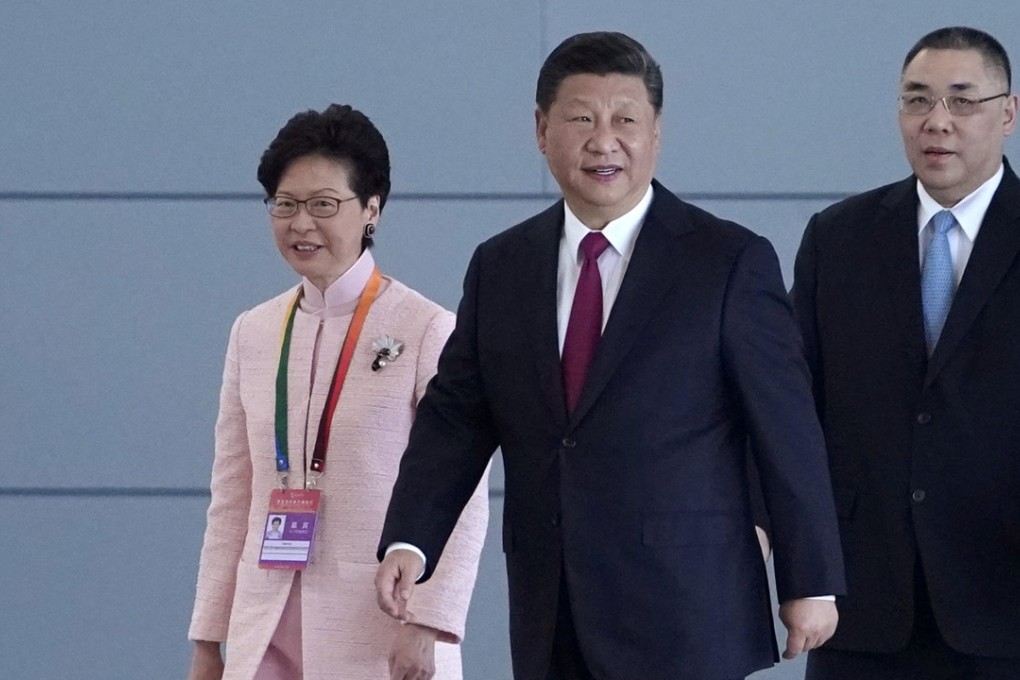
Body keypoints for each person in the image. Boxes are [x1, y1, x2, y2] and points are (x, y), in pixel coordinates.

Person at [375, 32, 845, 680]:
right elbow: (456, 415)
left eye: (625, 119)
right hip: (553, 608)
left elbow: (786, 429)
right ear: (541, 131)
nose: (604, 141)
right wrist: (411, 537)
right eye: (581, 119)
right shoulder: (502, 266)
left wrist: (809, 579)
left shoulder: (727, 261)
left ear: (656, 132)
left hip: (686, 611)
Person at [187, 104, 488, 680]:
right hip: (265, 624)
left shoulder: (427, 328)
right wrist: (209, 639)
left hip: (380, 629)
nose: (302, 223)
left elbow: (460, 488)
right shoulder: (253, 330)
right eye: (285, 204)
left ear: (372, 209)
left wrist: (428, 622)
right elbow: (232, 496)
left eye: (324, 204)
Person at [793, 26, 1020, 680]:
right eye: (916, 100)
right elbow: (790, 404)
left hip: (1004, 605)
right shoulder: (838, 239)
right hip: (864, 609)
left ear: (1007, 113)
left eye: (961, 101)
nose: (937, 121)